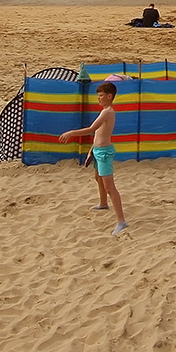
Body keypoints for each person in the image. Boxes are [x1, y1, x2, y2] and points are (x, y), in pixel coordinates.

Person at [58, 76, 127, 235]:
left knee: (110, 187)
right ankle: (103, 203)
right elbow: (98, 134)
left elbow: (91, 129)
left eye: (101, 96)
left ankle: (121, 222)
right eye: (98, 96)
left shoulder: (108, 112)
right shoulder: (104, 111)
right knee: (98, 178)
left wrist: (71, 133)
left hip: (104, 153)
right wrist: (91, 150)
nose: (98, 98)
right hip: (97, 150)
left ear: (109, 96)